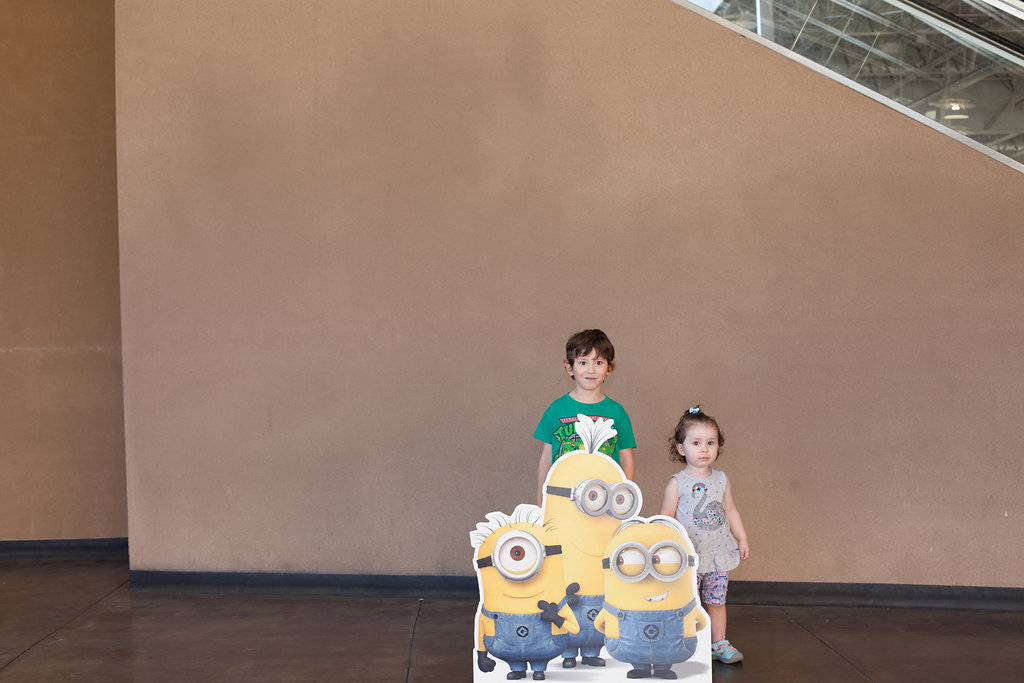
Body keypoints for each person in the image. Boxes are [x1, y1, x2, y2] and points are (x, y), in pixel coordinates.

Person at [659, 406, 749, 665]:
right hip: (690, 557)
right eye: (696, 443)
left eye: (711, 443)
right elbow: (665, 518)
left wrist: (742, 538)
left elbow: (731, 510)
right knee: (687, 601)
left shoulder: (721, 479)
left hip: (718, 555)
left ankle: (719, 642)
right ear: (681, 448)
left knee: (717, 601)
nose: (705, 449)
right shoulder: (677, 483)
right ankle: (686, 643)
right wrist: (665, 548)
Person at [535, 329, 636, 507]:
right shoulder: (556, 409)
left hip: (605, 500)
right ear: (569, 367)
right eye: (583, 362)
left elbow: (626, 457)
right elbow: (546, 457)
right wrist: (541, 496)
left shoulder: (617, 412)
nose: (591, 370)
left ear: (610, 368)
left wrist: (626, 495)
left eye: (598, 362)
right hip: (562, 498)